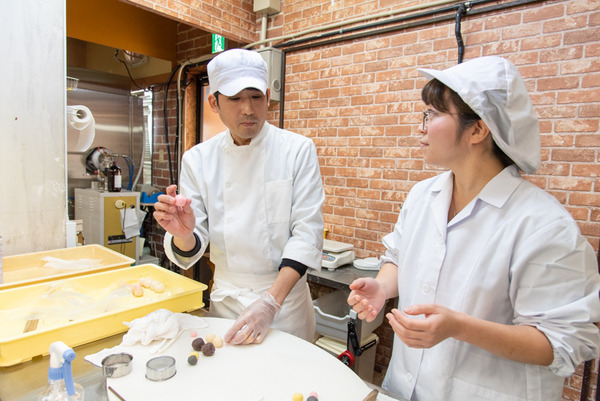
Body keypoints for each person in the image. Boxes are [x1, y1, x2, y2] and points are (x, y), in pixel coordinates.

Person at [347, 56, 600, 401]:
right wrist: (382, 286)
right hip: (406, 388)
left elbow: (560, 343)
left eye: (432, 114)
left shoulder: (544, 225)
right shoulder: (422, 196)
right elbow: (399, 256)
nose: (421, 127)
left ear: (478, 130)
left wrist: (459, 327)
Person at [153, 48, 324, 345]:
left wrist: (269, 303)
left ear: (267, 97)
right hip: (227, 303)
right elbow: (193, 243)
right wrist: (184, 234)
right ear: (214, 102)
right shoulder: (198, 159)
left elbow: (307, 235)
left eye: (256, 96)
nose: (248, 109)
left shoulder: (297, 150)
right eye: (235, 98)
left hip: (284, 307)